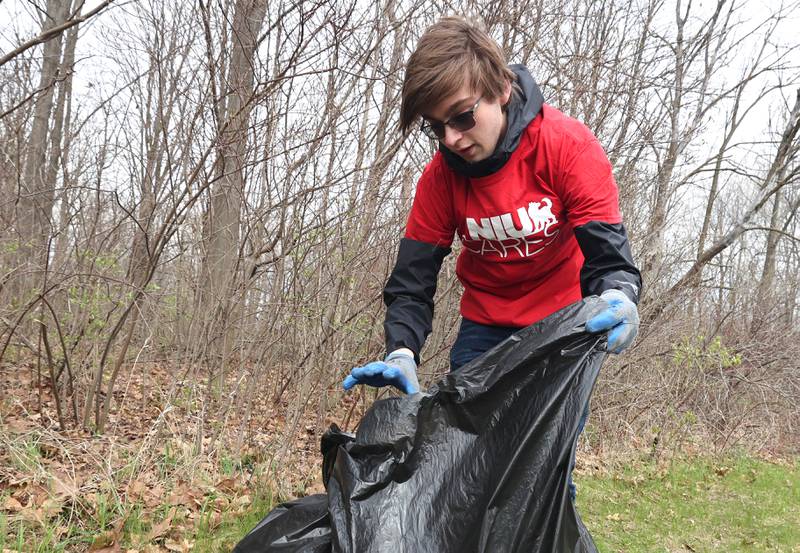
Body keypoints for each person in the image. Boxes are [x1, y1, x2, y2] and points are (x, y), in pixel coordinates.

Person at [342, 16, 641, 500]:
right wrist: (402, 348)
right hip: (485, 330)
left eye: (461, 117)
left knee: (542, 470)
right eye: (435, 128)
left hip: (561, 332)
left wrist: (620, 296)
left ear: (501, 88)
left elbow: (609, 259)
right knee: (464, 467)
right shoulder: (441, 179)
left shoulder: (567, 147)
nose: (452, 139)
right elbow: (412, 279)